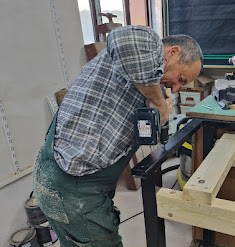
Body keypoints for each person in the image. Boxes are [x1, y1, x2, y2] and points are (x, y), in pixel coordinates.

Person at [33, 25, 202, 247]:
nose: (177, 87)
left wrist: (160, 111)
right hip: (71, 185)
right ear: (172, 53)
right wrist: (159, 103)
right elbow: (122, 37)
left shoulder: (149, 82)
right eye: (181, 77)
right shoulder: (148, 42)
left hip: (82, 186)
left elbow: (152, 134)